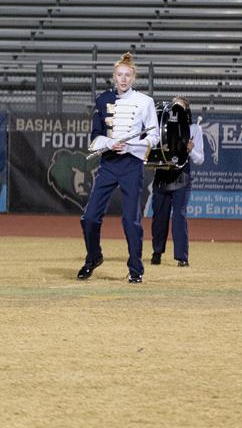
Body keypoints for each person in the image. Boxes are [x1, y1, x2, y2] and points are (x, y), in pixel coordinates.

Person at [78, 52, 159, 284]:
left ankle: (136, 269)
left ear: (133, 77)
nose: (123, 79)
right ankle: (93, 257)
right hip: (109, 164)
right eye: (120, 75)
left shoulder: (145, 102)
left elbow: (153, 136)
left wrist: (132, 145)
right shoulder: (102, 100)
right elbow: (95, 137)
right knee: (90, 217)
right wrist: (108, 143)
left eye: (128, 75)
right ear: (114, 77)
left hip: (132, 165)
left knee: (131, 220)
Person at [150, 97, 205, 268]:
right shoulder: (159, 128)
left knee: (179, 216)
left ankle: (182, 257)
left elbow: (200, 159)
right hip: (162, 176)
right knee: (159, 216)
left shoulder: (195, 129)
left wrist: (191, 150)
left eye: (180, 108)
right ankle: (157, 252)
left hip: (182, 178)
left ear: (186, 111)